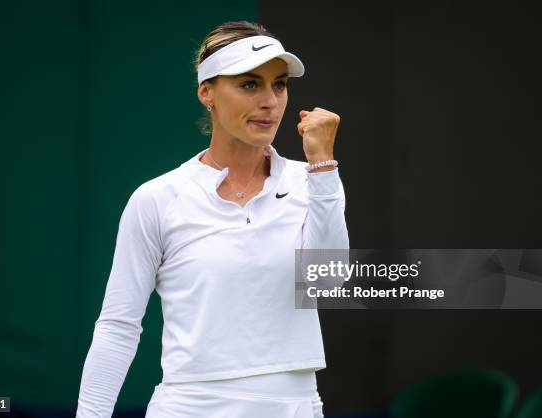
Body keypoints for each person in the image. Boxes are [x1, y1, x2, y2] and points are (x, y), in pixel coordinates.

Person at [76, 21, 350, 418]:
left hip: (295, 406)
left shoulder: (313, 181)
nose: (271, 101)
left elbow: (327, 281)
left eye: (280, 85)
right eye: (250, 84)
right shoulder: (157, 199)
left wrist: (323, 167)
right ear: (207, 93)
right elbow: (118, 327)